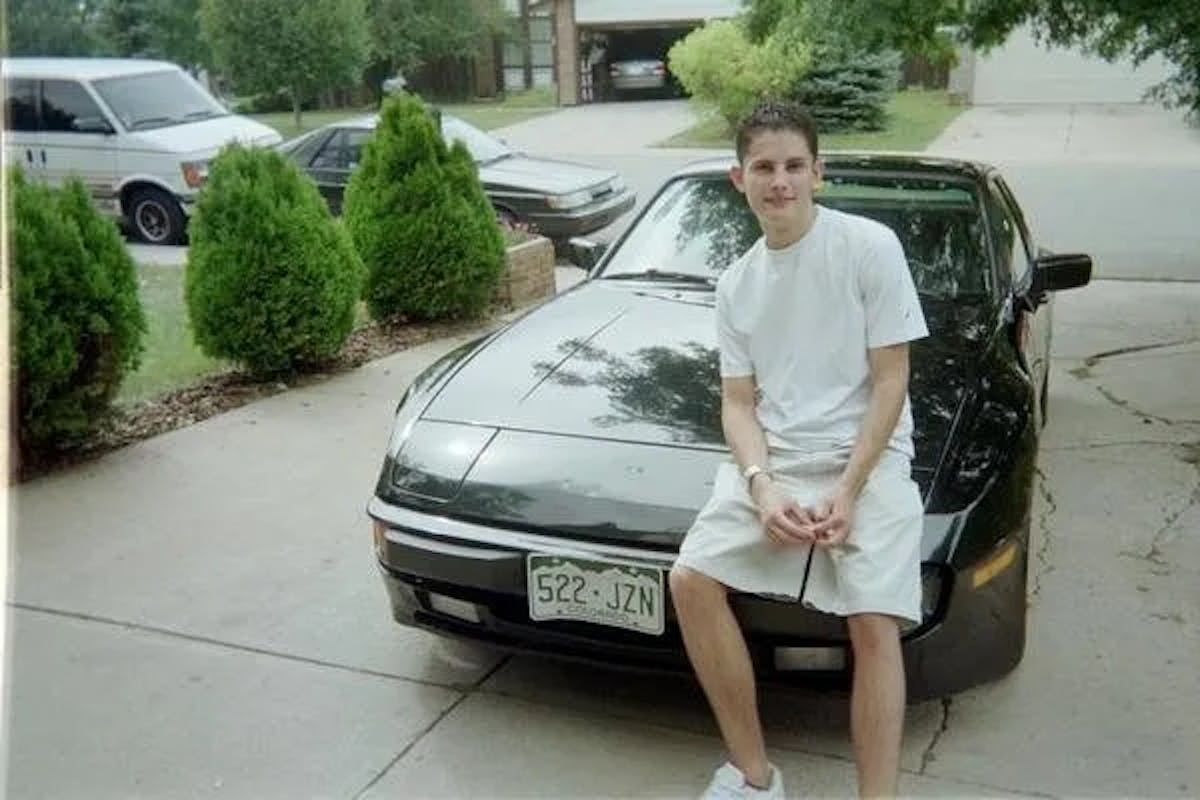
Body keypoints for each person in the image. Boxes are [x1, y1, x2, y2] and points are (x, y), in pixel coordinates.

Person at [669, 101, 929, 799]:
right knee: (689, 580)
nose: (778, 181)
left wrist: (847, 488)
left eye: (792, 166)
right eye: (763, 167)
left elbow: (891, 378)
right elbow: (737, 403)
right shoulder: (736, 284)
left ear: (818, 171)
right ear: (738, 178)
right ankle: (755, 778)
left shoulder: (869, 247)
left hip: (866, 460)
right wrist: (761, 484)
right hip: (778, 459)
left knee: (873, 618)